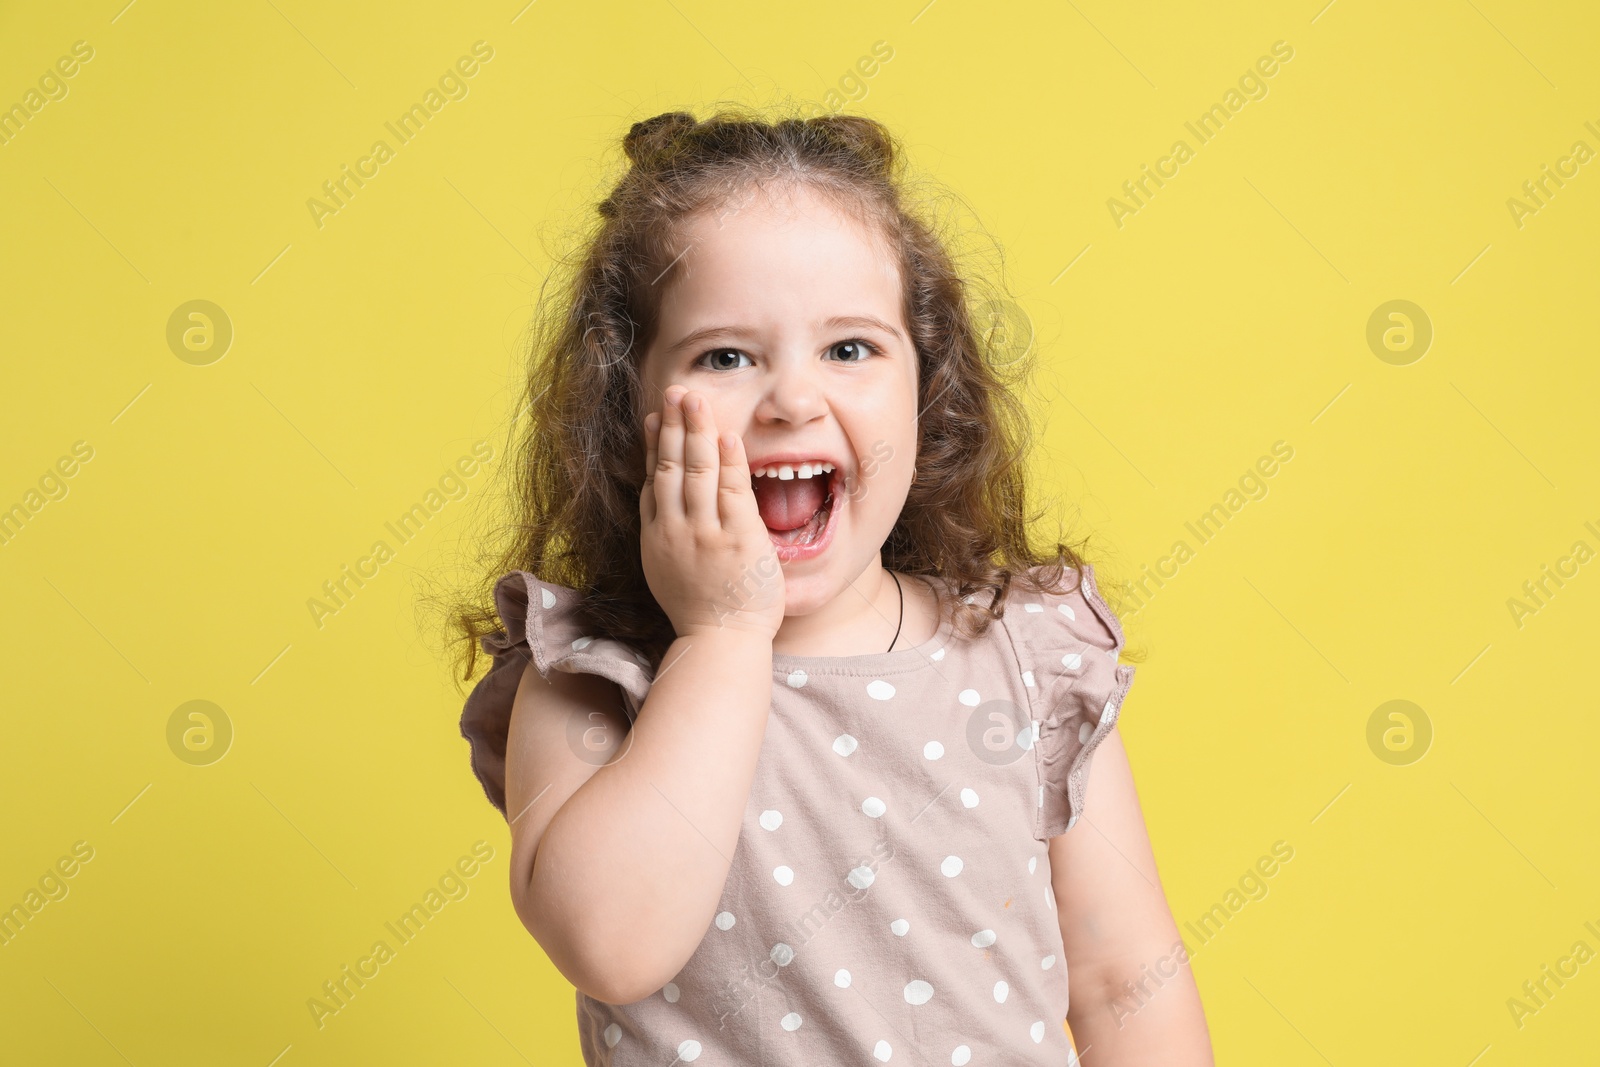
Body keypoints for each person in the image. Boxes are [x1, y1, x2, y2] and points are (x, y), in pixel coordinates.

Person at [453, 108, 1213, 1064]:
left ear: (927, 387)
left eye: (849, 349)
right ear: (627, 405)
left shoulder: (1025, 657)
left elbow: (1123, 983)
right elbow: (611, 941)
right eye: (724, 356)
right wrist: (721, 635)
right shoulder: (591, 674)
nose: (793, 399)